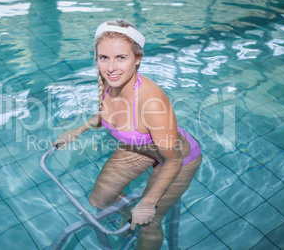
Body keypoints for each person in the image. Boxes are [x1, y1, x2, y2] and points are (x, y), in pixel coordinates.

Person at [52, 19, 202, 249]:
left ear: (137, 59)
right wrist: (77, 131)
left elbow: (174, 159)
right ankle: (131, 213)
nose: (111, 67)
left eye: (121, 57)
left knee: (148, 223)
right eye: (104, 58)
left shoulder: (151, 103)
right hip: (141, 148)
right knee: (99, 199)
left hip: (177, 158)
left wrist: (148, 203)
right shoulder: (109, 82)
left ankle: (142, 218)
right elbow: (105, 115)